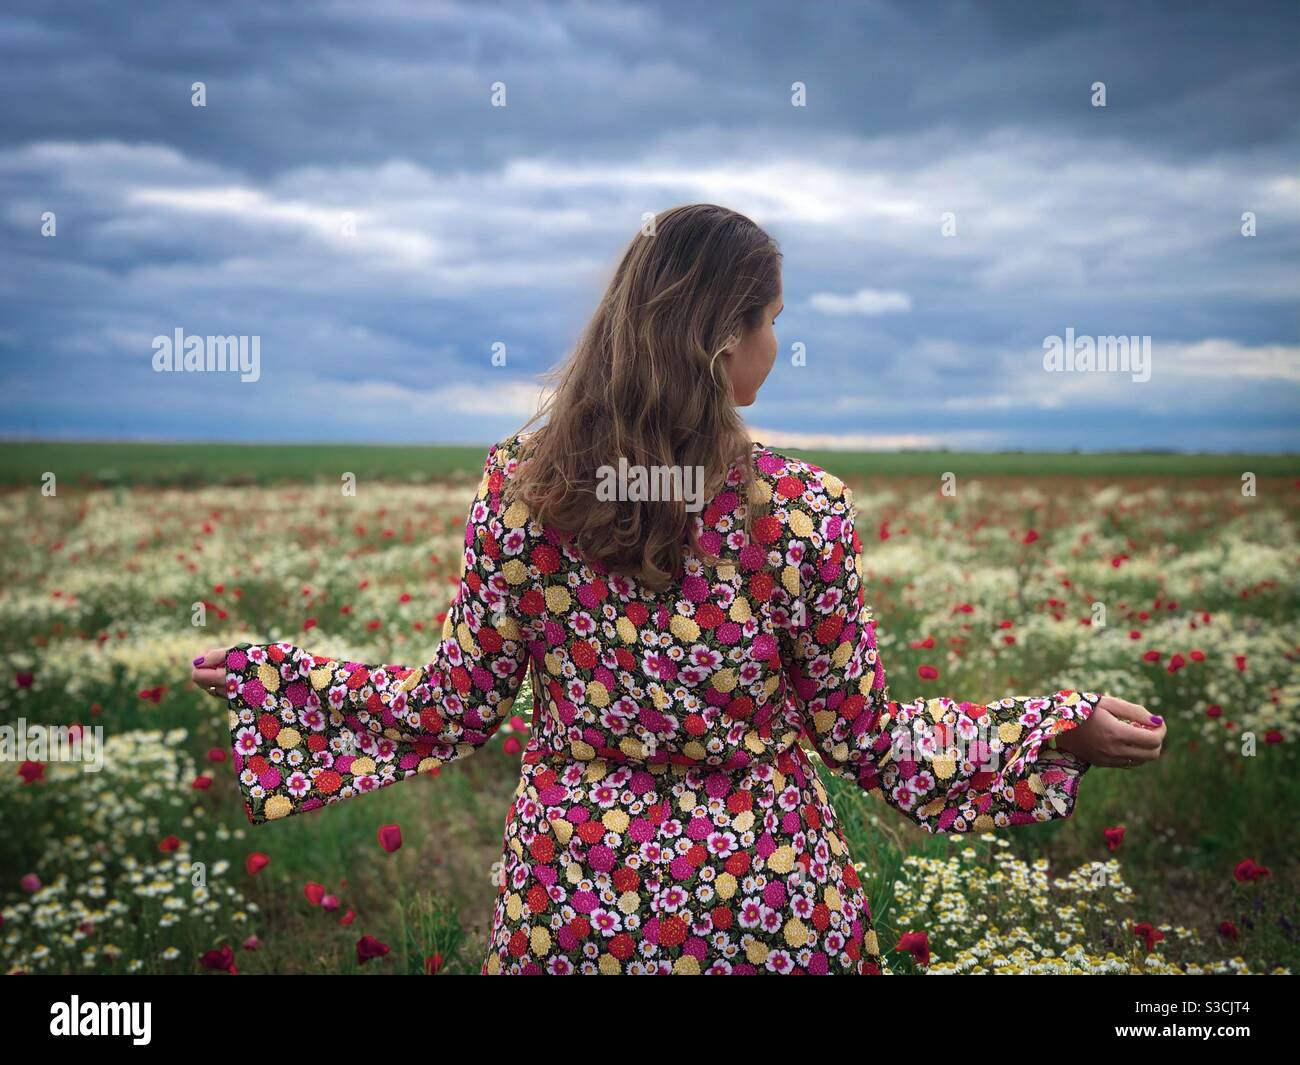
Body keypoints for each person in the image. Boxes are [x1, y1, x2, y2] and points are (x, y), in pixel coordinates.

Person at [191, 203, 1165, 975]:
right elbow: (863, 739)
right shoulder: (799, 510)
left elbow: (451, 710)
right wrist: (1052, 727)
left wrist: (270, 685)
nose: (775, 345)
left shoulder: (522, 494)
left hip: (575, 908)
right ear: (724, 334)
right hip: (767, 906)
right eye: (773, 321)